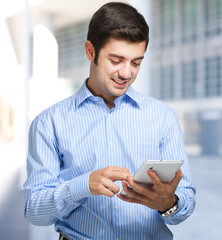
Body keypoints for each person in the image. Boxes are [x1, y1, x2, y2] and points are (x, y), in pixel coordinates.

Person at [23, 2, 196, 239]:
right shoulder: (48, 123)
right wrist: (81, 186)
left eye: (136, 62)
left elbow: (185, 202)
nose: (126, 73)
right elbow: (35, 212)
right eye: (116, 60)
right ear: (90, 51)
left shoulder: (162, 116)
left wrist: (168, 203)